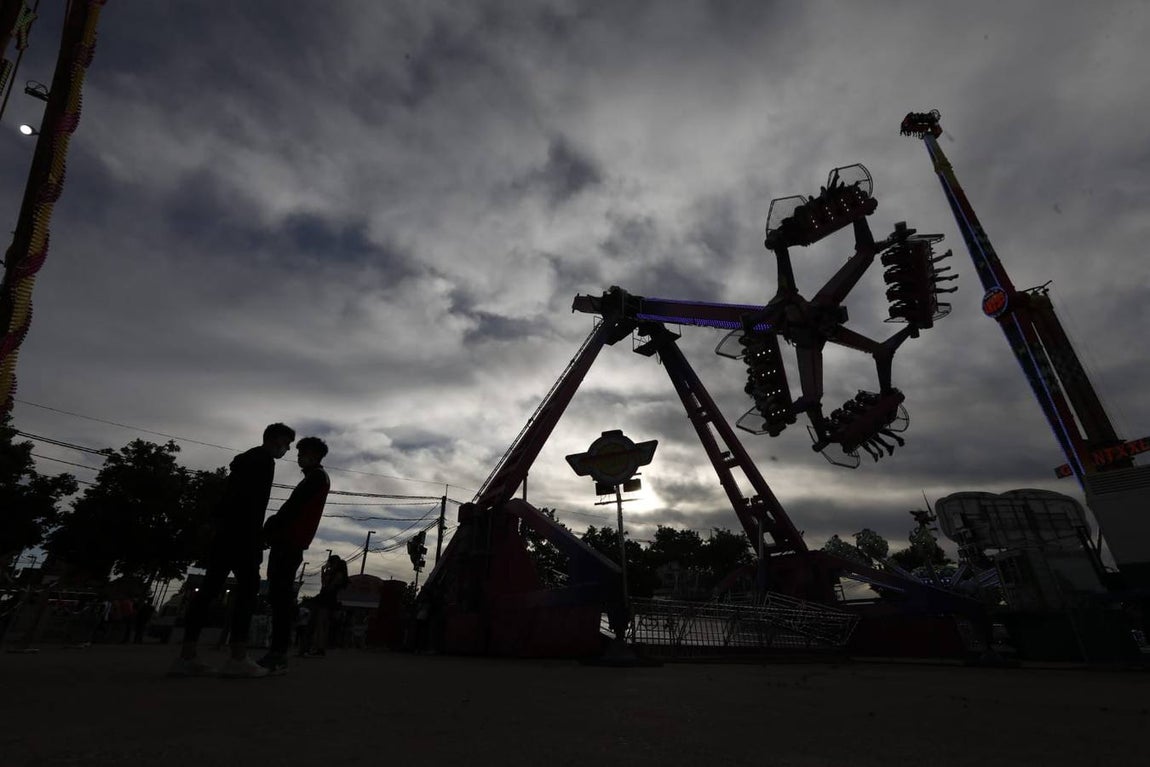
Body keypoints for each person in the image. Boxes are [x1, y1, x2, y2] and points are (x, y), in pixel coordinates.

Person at [169, 422, 295, 678]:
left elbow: (229, 498)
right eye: (285, 444)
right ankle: (237, 657)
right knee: (248, 592)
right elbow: (250, 503)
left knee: (208, 591)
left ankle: (187, 656)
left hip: (226, 534)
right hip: (242, 536)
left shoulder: (246, 460)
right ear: (273, 440)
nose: (286, 450)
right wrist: (256, 538)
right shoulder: (263, 462)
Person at [257, 437, 331, 674]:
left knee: (280, 597)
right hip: (289, 540)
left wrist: (270, 526)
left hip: (290, 541)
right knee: (279, 596)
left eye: (303, 453)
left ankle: (277, 654)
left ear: (316, 456)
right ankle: (277, 653)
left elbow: (293, 506)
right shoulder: (314, 478)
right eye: (299, 453)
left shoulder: (317, 477)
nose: (299, 457)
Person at [307, 554, 349, 657]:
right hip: (328, 599)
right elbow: (324, 583)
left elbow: (328, 586)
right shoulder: (335, 573)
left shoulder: (338, 574)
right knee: (322, 624)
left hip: (327, 599)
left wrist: (326, 574)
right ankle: (319, 647)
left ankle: (320, 647)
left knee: (321, 624)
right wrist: (323, 571)